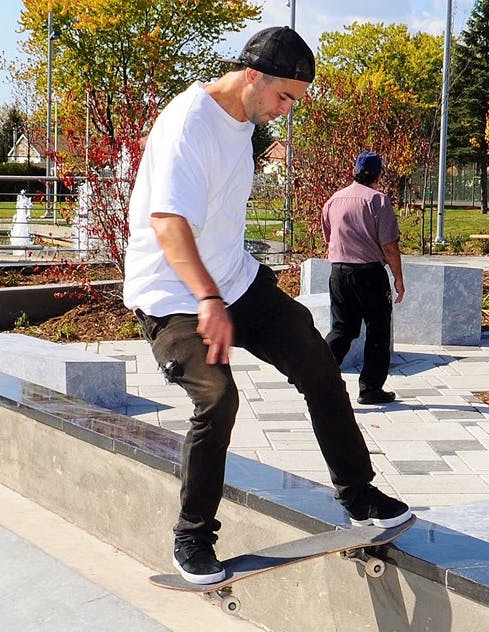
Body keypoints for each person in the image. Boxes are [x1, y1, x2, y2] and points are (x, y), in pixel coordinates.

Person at [122, 26, 411, 586]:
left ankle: (356, 493)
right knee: (217, 397)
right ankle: (191, 537)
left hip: (235, 283)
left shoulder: (244, 124)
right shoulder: (189, 124)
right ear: (252, 76)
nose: (285, 111)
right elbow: (168, 223)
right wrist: (207, 298)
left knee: (318, 363)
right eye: (284, 97)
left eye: (295, 103)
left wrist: (238, 283)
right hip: (172, 295)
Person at [321, 151, 404, 405]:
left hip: (339, 272)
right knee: (377, 330)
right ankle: (370, 389)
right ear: (379, 174)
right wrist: (398, 277)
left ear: (354, 171)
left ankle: (318, 377)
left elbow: (328, 236)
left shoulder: (334, 200)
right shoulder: (378, 201)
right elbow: (389, 245)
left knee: (342, 329)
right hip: (369, 273)